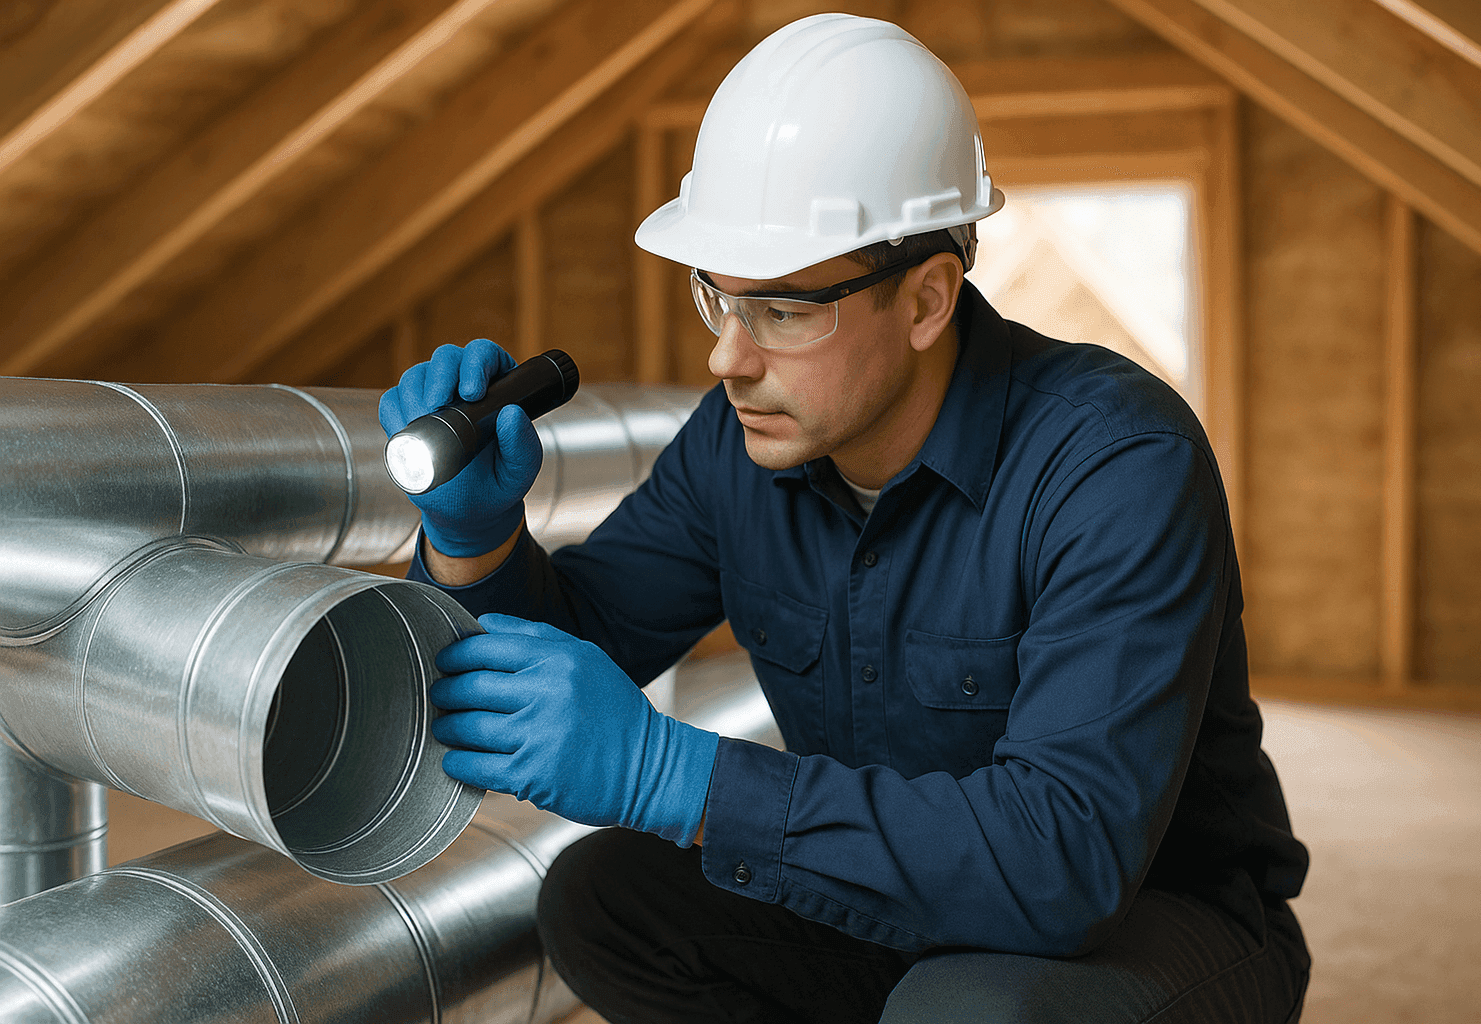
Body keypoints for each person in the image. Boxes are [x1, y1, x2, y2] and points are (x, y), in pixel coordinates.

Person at [379, 13, 1310, 1024]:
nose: (727, 359)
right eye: (718, 301)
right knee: (606, 900)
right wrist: (475, 544)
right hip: (902, 895)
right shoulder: (735, 446)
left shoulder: (1115, 461)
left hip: (1156, 916)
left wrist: (676, 775)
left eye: (783, 312)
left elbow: (1064, 862)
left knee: (966, 1009)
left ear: (925, 299)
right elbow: (567, 650)